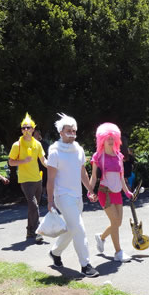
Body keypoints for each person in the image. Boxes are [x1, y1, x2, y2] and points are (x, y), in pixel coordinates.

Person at [46, 113, 99, 278]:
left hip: (77, 196)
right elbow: (50, 179)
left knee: (71, 228)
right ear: (61, 132)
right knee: (79, 228)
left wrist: (90, 190)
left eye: (74, 131)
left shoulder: (79, 150)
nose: (72, 133)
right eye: (68, 130)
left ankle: (55, 252)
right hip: (62, 196)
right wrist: (50, 201)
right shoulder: (54, 152)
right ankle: (85, 264)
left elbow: (82, 172)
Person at [89, 123, 133, 263]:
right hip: (105, 193)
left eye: (112, 138)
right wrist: (90, 191)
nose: (110, 140)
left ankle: (101, 237)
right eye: (107, 138)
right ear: (102, 139)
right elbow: (94, 177)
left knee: (117, 223)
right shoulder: (98, 156)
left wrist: (127, 192)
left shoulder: (119, 156)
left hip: (117, 193)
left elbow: (121, 177)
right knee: (115, 222)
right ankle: (118, 252)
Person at [8, 113, 47, 243]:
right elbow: (10, 162)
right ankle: (38, 232)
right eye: (23, 128)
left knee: (33, 207)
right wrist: (23, 161)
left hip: (37, 179)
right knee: (34, 206)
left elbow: (43, 160)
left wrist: (53, 166)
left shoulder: (37, 144)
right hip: (25, 180)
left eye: (28, 127)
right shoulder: (17, 145)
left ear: (33, 129)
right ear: (21, 130)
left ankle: (30, 231)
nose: (26, 130)